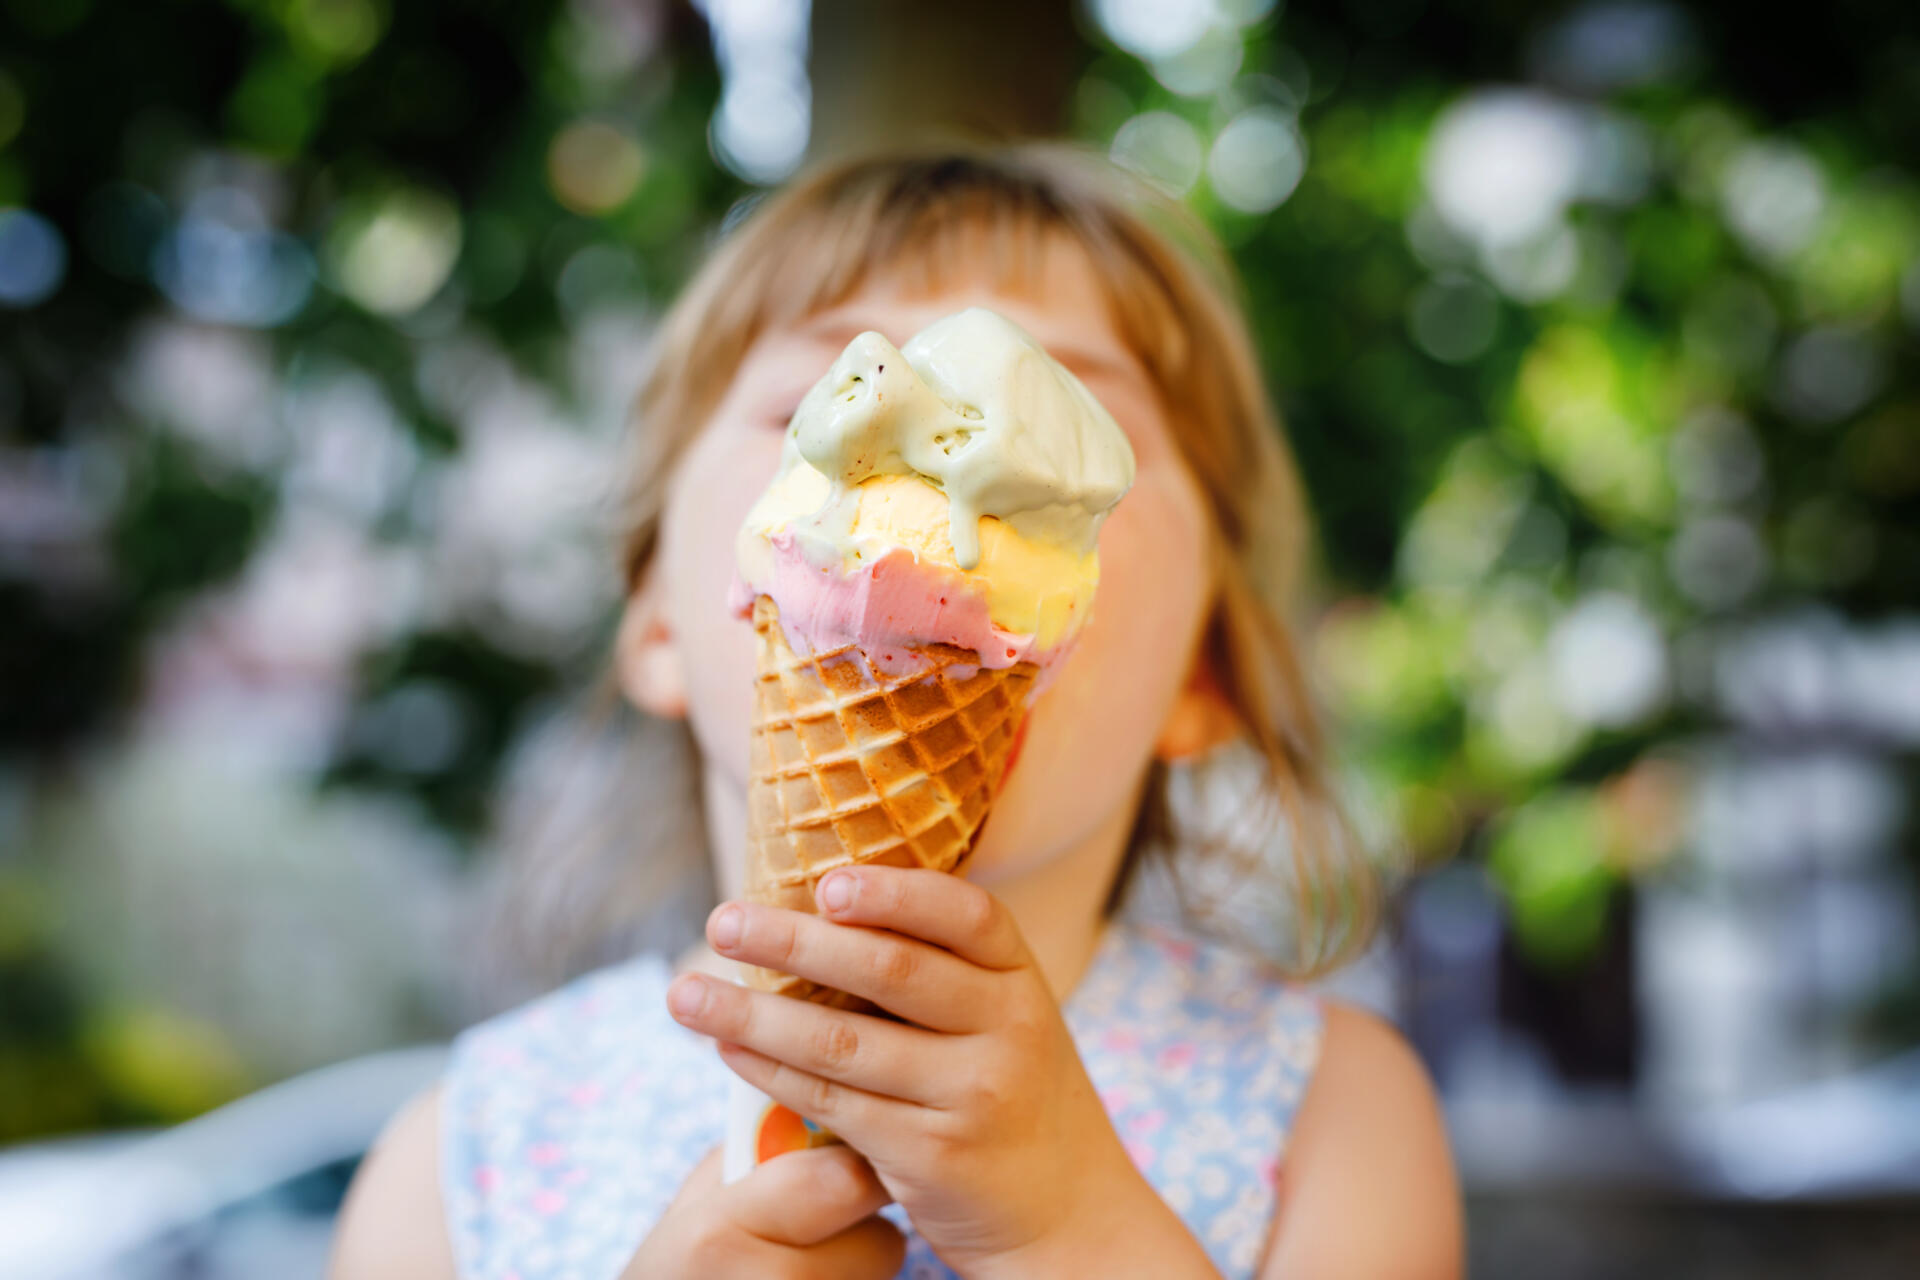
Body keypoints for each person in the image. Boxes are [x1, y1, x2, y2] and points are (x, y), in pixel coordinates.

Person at [329, 142, 1462, 1280]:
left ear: (1204, 669)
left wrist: (1072, 1237)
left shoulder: (1330, 1113)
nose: (934, 464)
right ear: (661, 622)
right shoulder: (463, 1155)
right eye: (817, 399)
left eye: (1060, 421)